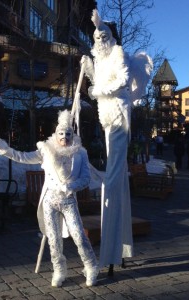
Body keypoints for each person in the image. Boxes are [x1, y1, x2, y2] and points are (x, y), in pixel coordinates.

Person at [0, 109, 99, 287]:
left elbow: (86, 178)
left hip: (69, 201)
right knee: (54, 239)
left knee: (79, 235)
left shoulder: (80, 153)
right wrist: (7, 151)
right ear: (56, 135)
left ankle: (91, 266)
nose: (64, 137)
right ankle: (59, 269)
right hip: (49, 201)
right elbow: (23, 157)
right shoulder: (46, 151)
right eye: (61, 134)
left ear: (73, 135)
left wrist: (70, 186)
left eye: (68, 134)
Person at [81, 9, 153, 269]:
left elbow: (121, 81)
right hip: (106, 118)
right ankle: (122, 247)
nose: (100, 40)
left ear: (111, 36)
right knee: (118, 176)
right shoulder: (99, 58)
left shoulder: (118, 53)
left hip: (120, 117)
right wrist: (90, 69)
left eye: (104, 35)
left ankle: (110, 253)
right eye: (96, 36)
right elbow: (98, 82)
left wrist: (97, 89)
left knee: (112, 180)